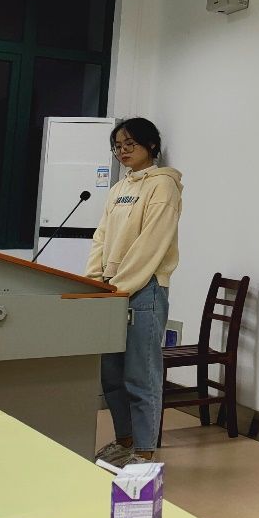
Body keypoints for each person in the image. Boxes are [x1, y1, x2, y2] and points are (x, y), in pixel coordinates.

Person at [86, 118, 183, 467]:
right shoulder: (118, 189)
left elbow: (150, 245)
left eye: (130, 144)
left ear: (151, 145)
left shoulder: (163, 186)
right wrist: (93, 281)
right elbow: (101, 237)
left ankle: (143, 450)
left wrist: (120, 287)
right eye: (118, 146)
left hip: (145, 288)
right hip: (111, 289)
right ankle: (124, 441)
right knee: (111, 375)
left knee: (141, 375)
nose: (123, 151)